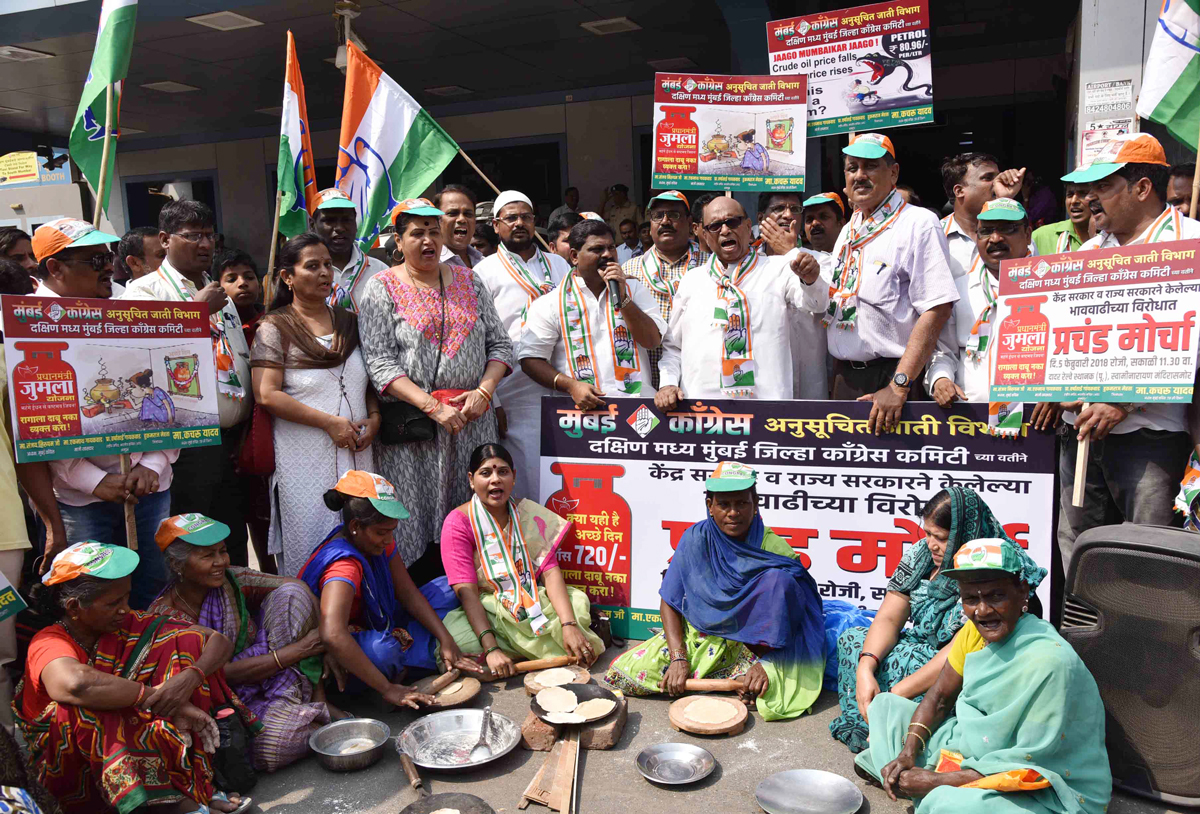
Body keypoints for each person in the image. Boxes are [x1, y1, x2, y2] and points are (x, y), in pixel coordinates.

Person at [854, 537, 1111, 814]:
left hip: (1045, 785)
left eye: (995, 596)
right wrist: (907, 753)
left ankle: (922, 786)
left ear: (1022, 592)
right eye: (970, 599)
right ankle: (912, 776)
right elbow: (939, 698)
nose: (983, 611)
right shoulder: (973, 632)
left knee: (943, 803)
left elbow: (1032, 768)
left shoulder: (1052, 663)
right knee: (886, 706)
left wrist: (938, 781)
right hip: (977, 748)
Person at [18, 541, 256, 814]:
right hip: (72, 762)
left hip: (137, 731)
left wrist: (188, 679)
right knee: (85, 710)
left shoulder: (127, 623)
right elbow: (76, 684)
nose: (125, 609)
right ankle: (174, 804)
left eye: (126, 598)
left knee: (186, 643)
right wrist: (161, 698)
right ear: (73, 607)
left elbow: (217, 641)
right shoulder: (48, 641)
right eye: (113, 603)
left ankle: (188, 782)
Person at [1057, 133, 1200, 565]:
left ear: (1142, 188)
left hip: (1151, 437)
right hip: (1080, 431)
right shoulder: (1089, 250)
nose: (1089, 199)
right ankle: (1082, 636)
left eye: (1103, 187)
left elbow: (1190, 341)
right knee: (1081, 553)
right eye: (1087, 188)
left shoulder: (1190, 243)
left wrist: (1122, 400)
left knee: (1146, 558)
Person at [358, 199, 513, 578]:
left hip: (472, 421)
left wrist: (484, 392)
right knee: (412, 516)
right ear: (399, 239)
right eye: (417, 233)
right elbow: (379, 363)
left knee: (470, 514)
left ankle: (477, 598)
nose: (428, 240)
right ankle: (417, 601)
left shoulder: (470, 280)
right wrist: (433, 406)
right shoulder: (380, 288)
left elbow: (501, 346)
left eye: (433, 231)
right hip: (414, 428)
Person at [829, 487, 1047, 753]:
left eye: (940, 537)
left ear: (963, 535)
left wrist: (893, 696)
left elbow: (958, 651)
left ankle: (901, 724)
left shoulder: (991, 568)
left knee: (949, 683)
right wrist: (866, 668)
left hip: (966, 665)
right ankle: (870, 721)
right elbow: (888, 616)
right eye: (927, 533)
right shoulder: (922, 555)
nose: (931, 543)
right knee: (854, 640)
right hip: (923, 651)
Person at [606, 462, 825, 720]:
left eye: (742, 503)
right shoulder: (695, 538)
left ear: (755, 504)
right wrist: (678, 658)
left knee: (773, 685)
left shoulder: (772, 548)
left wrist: (769, 664)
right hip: (701, 637)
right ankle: (732, 679)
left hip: (752, 647)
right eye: (724, 505)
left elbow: (801, 615)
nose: (733, 513)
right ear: (710, 505)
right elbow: (670, 601)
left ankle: (754, 676)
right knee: (624, 675)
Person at [31, 220, 173, 609]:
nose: (107, 267)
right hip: (79, 497)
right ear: (54, 269)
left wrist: (154, 464)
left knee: (154, 586)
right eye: (94, 260)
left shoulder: (133, 310)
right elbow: (37, 424)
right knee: (92, 596)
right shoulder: (24, 325)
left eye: (107, 257)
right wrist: (94, 481)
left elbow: (165, 397)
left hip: (148, 484)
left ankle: (154, 660)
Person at [121, 200, 254, 568]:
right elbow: (145, 362)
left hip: (233, 439)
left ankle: (236, 613)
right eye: (192, 235)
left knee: (232, 538)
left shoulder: (217, 293)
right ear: (165, 240)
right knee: (194, 543)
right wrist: (197, 311)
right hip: (186, 446)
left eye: (209, 235)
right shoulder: (143, 293)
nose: (204, 244)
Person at [147, 514, 330, 772]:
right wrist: (299, 651)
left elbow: (296, 586)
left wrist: (327, 641)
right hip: (227, 702)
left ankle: (309, 703)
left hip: (269, 674)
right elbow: (221, 675)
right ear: (178, 565)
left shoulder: (230, 581)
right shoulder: (165, 618)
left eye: (222, 551)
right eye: (207, 556)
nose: (220, 561)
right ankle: (307, 716)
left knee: (294, 596)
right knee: (275, 746)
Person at [251, 233, 379, 576]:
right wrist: (328, 422)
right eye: (312, 266)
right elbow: (266, 393)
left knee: (363, 533)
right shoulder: (274, 328)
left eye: (327, 265)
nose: (325, 273)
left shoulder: (350, 322)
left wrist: (375, 417)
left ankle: (361, 615)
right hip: (303, 456)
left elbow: (366, 381)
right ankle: (310, 619)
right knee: (312, 538)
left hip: (358, 450)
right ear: (287, 277)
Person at [298, 472, 479, 703]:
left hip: (381, 618)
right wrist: (387, 689)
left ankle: (418, 652)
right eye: (382, 532)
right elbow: (332, 634)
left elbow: (407, 592)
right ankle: (384, 679)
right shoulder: (344, 567)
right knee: (383, 652)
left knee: (446, 588)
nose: (388, 539)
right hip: (351, 638)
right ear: (355, 526)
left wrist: (446, 639)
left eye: (391, 531)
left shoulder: (377, 541)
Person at [826, 134, 959, 434]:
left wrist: (899, 385)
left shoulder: (918, 223)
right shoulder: (849, 230)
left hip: (894, 379)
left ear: (894, 173)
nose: (859, 175)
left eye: (870, 166)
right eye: (852, 168)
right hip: (845, 378)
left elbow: (937, 307)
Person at [439, 443, 603, 674]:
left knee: (576, 604)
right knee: (459, 641)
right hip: (489, 609)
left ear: (513, 477)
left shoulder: (528, 515)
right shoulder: (458, 522)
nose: (495, 480)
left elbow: (550, 571)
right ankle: (510, 651)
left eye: (503, 472)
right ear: (471, 479)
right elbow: (466, 592)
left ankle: (526, 649)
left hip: (532, 599)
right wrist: (491, 647)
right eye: (486, 473)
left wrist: (568, 625)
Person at [656, 195, 826, 404]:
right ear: (705, 235)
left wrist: (811, 280)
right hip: (702, 411)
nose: (725, 230)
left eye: (732, 222)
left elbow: (816, 304)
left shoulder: (778, 269)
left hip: (767, 406)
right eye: (715, 226)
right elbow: (673, 346)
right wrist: (668, 383)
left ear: (748, 226)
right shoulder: (692, 281)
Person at [926, 198, 1063, 431]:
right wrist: (941, 379)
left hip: (1038, 423)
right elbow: (943, 352)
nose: (996, 239)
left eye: (1007, 229)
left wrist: (1059, 392)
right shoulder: (958, 290)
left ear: (1028, 234)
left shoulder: (1057, 287)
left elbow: (1071, 355)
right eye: (986, 232)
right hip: (969, 422)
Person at [473, 191, 569, 505]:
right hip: (513, 389)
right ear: (496, 226)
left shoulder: (559, 265)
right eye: (511, 218)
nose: (519, 224)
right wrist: (494, 399)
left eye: (526, 217)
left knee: (564, 467)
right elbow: (481, 340)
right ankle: (528, 541)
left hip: (561, 381)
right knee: (524, 468)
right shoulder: (483, 272)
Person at [519, 219, 664, 404]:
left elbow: (652, 341)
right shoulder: (551, 302)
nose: (608, 254)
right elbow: (530, 359)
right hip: (580, 416)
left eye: (611, 247)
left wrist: (623, 298)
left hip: (636, 411)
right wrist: (571, 386)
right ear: (574, 256)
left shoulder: (633, 289)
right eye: (597, 249)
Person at [622, 191, 708, 390]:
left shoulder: (711, 266)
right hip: (645, 386)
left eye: (674, 215)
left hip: (697, 384)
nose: (665, 221)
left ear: (690, 223)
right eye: (658, 215)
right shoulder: (629, 270)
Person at [758, 190, 829, 399]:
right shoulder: (751, 265)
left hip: (809, 379)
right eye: (779, 208)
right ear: (761, 218)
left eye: (795, 209)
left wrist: (790, 252)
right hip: (764, 382)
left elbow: (819, 303)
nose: (788, 215)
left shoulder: (821, 261)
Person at [939, 152, 1023, 280]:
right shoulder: (936, 235)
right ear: (959, 191)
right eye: (988, 178)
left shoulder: (1018, 231)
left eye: (999, 176)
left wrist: (1004, 201)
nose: (998, 183)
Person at [309, 188, 389, 313]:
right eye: (329, 220)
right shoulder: (304, 275)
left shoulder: (380, 272)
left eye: (346, 220)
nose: (340, 228)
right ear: (312, 225)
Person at [30, 218, 118, 299]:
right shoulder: (28, 313)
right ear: (56, 268)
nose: (110, 267)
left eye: (109, 258)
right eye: (98, 260)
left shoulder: (121, 303)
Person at [1031, 181, 1091, 255]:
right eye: (1070, 195)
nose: (1074, 201)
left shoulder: (1108, 236)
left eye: (1083, 194)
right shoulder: (1041, 236)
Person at [435, 184, 483, 269]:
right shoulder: (430, 265)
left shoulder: (485, 263)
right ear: (437, 220)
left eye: (468, 214)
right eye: (453, 213)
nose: (462, 219)